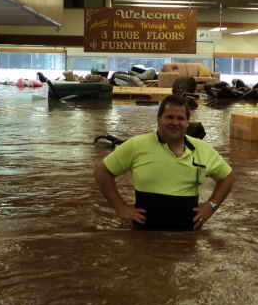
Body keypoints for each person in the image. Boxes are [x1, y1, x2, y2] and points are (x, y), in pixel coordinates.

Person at [94, 94, 234, 231]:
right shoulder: (136, 145)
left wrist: (211, 206)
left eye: (180, 118)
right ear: (158, 119)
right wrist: (121, 207)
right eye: (169, 117)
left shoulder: (203, 150)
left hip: (187, 239)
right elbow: (102, 172)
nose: (175, 123)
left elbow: (227, 177)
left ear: (187, 122)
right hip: (143, 237)